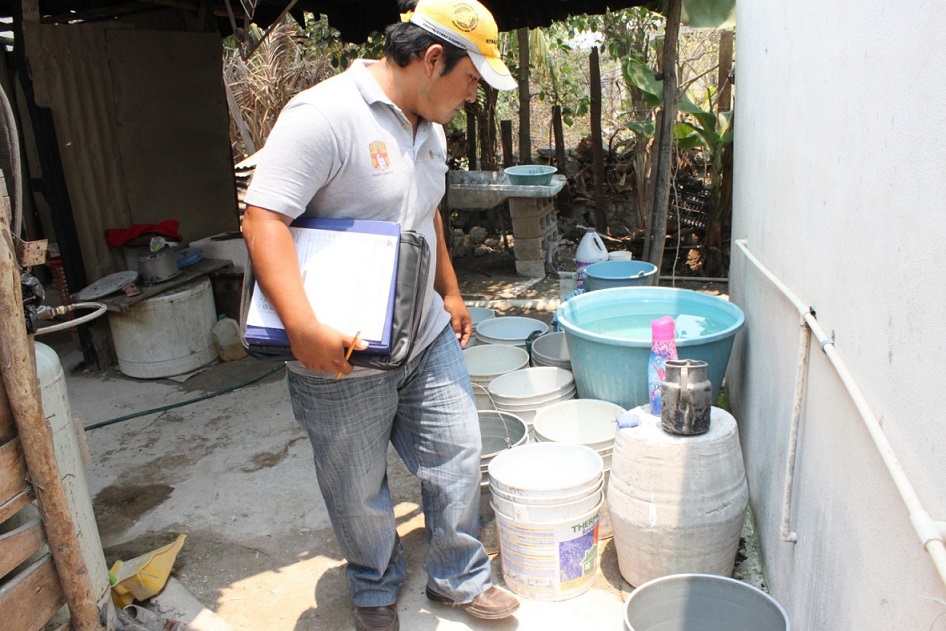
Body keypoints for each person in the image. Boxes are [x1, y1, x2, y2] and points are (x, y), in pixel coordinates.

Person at [240, 1, 519, 630]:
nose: (473, 95)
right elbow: (263, 220)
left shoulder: (431, 125)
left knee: (458, 451)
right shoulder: (324, 116)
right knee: (356, 484)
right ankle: (373, 582)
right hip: (343, 351)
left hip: (423, 332)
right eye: (471, 79)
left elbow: (427, 209)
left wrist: (450, 291)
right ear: (432, 59)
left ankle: (458, 575)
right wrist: (302, 329)